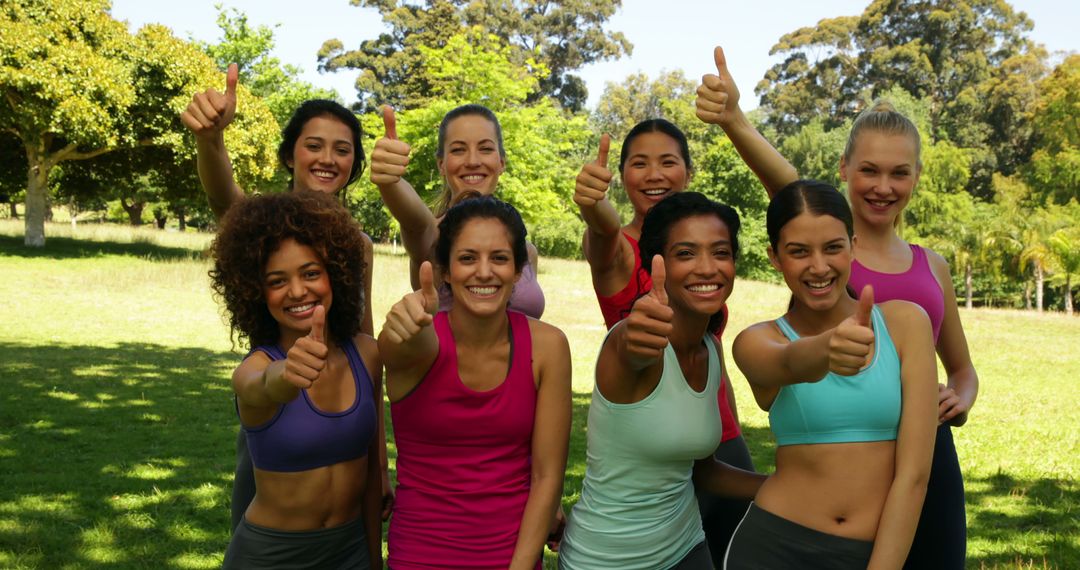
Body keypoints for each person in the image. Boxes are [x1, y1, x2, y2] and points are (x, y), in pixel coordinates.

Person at [697, 46, 978, 567]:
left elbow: (961, 367)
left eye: (900, 173)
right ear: (844, 170)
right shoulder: (821, 237)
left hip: (920, 456)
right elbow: (794, 199)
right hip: (795, 514)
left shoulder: (927, 270)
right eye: (869, 170)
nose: (883, 186)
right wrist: (735, 120)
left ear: (918, 175)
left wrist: (960, 395)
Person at [181, 65, 386, 529]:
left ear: (354, 165)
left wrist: (378, 464)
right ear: (290, 156)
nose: (327, 158)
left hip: (345, 415)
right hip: (277, 420)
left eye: (343, 149)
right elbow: (221, 197)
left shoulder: (360, 246)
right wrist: (210, 140)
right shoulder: (261, 227)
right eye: (313, 145)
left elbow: (365, 347)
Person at [726, 180, 936, 569]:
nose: (818, 266)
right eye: (799, 252)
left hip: (868, 554)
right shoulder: (756, 340)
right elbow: (787, 363)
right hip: (770, 546)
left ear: (854, 246)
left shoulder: (907, 324)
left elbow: (914, 476)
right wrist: (827, 349)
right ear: (775, 257)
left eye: (833, 248)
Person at [572, 119, 755, 564]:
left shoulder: (706, 343)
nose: (654, 174)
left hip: (702, 437)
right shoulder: (623, 257)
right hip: (637, 449)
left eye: (667, 161)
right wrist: (594, 205)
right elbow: (604, 234)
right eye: (640, 163)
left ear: (687, 172)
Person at [378, 196, 571, 569]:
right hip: (422, 554)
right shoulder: (420, 339)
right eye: (467, 258)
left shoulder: (548, 347)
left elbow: (547, 476)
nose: (484, 272)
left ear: (518, 271)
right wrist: (402, 328)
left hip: (511, 554)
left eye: (499, 258)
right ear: (445, 271)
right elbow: (398, 349)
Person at [208, 191, 383, 569]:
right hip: (271, 556)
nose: (298, 291)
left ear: (335, 273)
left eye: (311, 273)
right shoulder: (255, 367)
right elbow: (261, 385)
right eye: (277, 280)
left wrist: (372, 557)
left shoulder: (367, 355)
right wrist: (284, 375)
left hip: (349, 550)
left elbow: (369, 476)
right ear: (255, 292)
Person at [369, 104, 545, 318]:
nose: (472, 161)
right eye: (458, 150)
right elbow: (413, 220)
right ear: (442, 165)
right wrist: (389, 182)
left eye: (485, 149)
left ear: (501, 162)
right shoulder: (431, 238)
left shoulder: (527, 251)